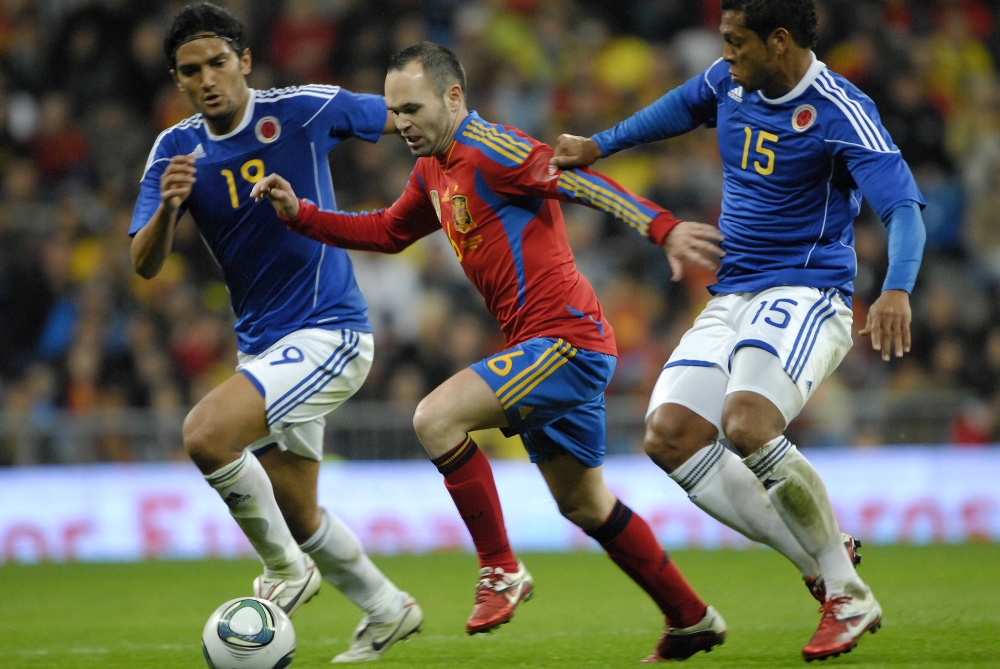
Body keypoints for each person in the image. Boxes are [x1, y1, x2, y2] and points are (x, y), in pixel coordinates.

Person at [252, 41, 728, 662]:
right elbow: (390, 231)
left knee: (435, 418)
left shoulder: (494, 149)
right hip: (542, 347)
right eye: (395, 112)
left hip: (567, 341)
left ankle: (500, 568)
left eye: (413, 109)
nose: (401, 124)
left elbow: (580, 182)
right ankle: (691, 619)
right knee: (585, 504)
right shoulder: (433, 168)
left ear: (453, 97)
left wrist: (661, 227)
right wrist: (302, 215)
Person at [550, 0, 927, 662]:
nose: (724, 54)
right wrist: (599, 145)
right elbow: (678, 107)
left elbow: (902, 207)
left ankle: (848, 595)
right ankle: (824, 562)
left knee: (748, 423)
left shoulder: (839, 109)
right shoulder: (730, 81)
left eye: (735, 41)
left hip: (807, 290)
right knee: (669, 435)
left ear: (779, 41)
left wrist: (896, 286)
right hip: (733, 293)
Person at [130, 3, 421, 663]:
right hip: (263, 345)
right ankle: (387, 608)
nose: (206, 79)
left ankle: (286, 571)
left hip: (330, 331)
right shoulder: (174, 150)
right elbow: (143, 264)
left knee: (206, 434)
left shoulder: (303, 110)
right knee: (297, 511)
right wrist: (170, 208)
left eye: (217, 63)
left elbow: (403, 115)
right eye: (190, 71)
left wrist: (468, 139)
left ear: (245, 61)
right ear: (177, 80)